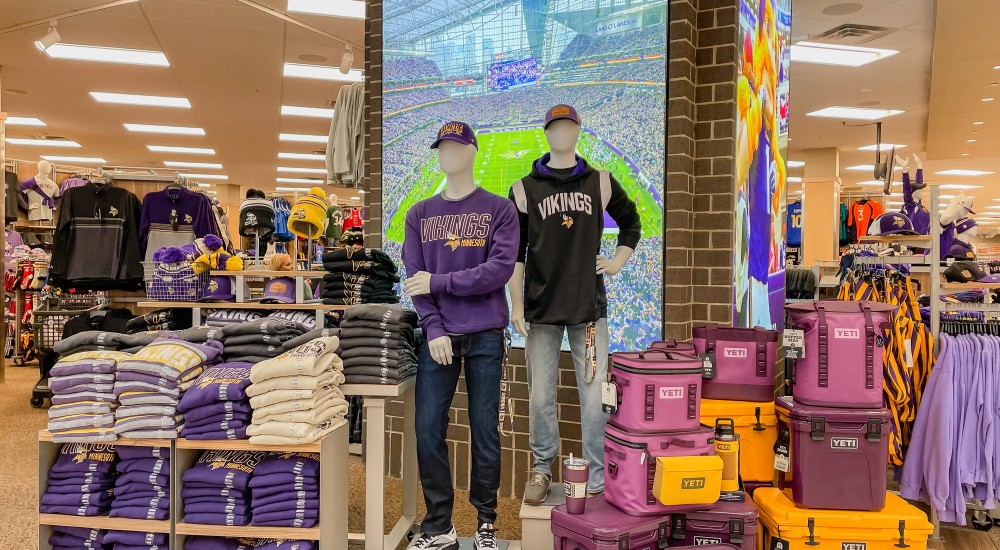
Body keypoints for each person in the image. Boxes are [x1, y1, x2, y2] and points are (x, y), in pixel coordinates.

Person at [403, 121, 519, 550]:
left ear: (472, 150)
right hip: (439, 337)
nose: (447, 153)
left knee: (485, 429)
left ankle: (486, 522)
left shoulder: (499, 210)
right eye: (442, 147)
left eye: (455, 145)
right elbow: (416, 280)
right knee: (427, 427)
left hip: (486, 333)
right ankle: (439, 525)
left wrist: (440, 282)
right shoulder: (419, 213)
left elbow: (497, 272)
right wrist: (433, 325)